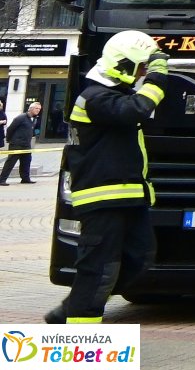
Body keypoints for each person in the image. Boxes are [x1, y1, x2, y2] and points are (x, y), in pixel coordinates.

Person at [46, 30, 169, 324]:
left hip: (127, 195)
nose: (143, 74)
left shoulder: (113, 96)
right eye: (141, 67)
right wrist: (158, 76)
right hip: (102, 196)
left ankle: (72, 308)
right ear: (123, 65)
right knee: (100, 268)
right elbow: (137, 110)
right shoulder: (95, 97)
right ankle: (80, 333)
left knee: (139, 257)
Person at [1, 100, 41, 184]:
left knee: (26, 161)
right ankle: (2, 180)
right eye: (36, 108)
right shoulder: (21, 117)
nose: (38, 110)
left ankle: (25, 179)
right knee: (10, 162)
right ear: (30, 108)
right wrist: (9, 139)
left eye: (39, 109)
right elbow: (10, 129)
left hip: (26, 144)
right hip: (17, 144)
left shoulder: (34, 119)